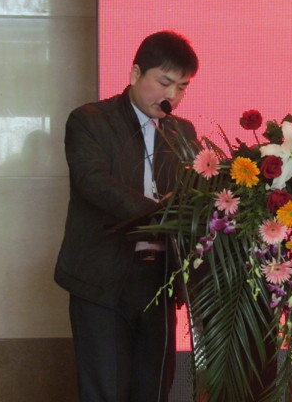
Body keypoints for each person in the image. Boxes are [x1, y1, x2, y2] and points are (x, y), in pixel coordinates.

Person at [54, 30, 199, 402]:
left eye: (182, 87)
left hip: (158, 280)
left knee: (153, 389)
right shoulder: (90, 120)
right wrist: (163, 215)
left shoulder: (182, 132)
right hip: (101, 279)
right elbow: (93, 182)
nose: (172, 96)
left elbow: (197, 189)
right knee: (105, 390)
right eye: (164, 83)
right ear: (135, 74)